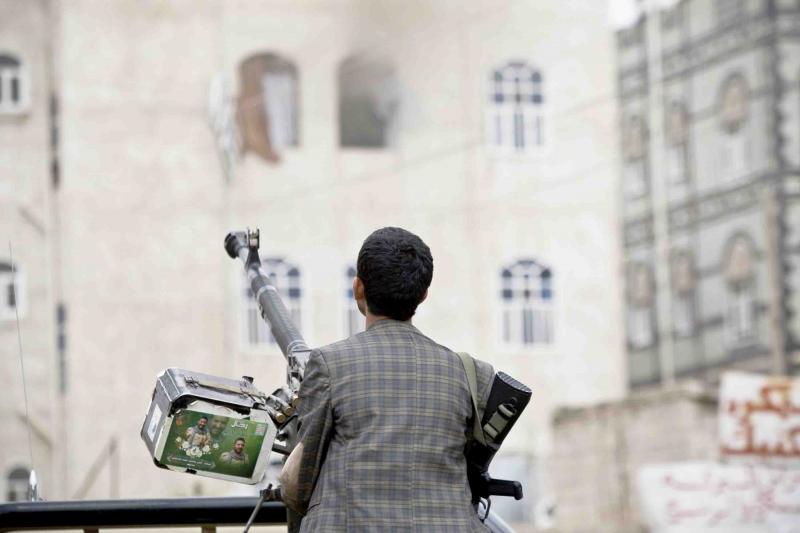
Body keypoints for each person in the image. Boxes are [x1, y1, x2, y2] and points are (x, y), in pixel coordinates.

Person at [280, 227, 493, 532]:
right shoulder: (472, 374)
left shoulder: (329, 364)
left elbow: (301, 483)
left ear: (358, 289)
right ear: (423, 294)